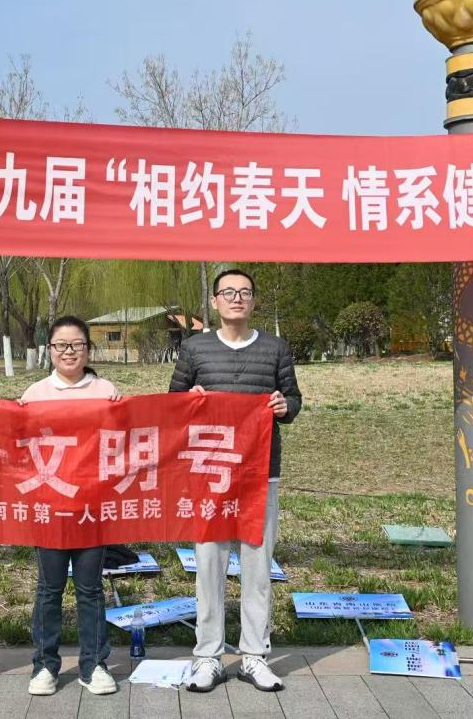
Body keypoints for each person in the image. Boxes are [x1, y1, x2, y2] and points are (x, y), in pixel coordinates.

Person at [169, 268, 301, 694]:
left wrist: (284, 405)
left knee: (257, 566)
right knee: (209, 565)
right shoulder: (194, 348)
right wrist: (188, 401)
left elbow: (294, 398)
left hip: (260, 473)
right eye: (228, 292)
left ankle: (253, 656)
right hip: (209, 473)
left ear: (254, 301)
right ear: (214, 302)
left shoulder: (275, 348)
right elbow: (173, 402)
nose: (236, 298)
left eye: (244, 292)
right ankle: (207, 655)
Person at [19, 316, 121, 697]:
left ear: (88, 350)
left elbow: (122, 442)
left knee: (90, 589)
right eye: (60, 345)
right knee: (49, 588)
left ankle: (93, 665)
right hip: (49, 509)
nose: (68, 352)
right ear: (49, 350)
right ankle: (45, 665)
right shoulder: (35, 393)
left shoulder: (105, 390)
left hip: (91, 509)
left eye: (76, 344)